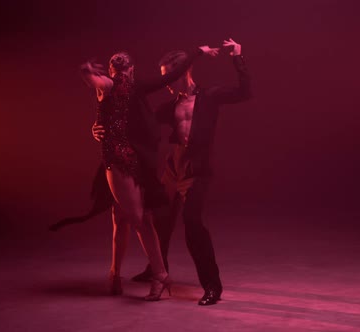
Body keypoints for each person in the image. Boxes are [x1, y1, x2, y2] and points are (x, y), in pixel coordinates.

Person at [93, 38, 251, 305]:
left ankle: (212, 286)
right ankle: (156, 270)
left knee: (192, 224)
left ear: (185, 72)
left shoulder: (209, 97)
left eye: (171, 78)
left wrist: (237, 57)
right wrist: (98, 129)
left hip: (195, 171)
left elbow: (244, 92)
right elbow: (132, 124)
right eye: (164, 80)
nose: (166, 85)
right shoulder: (168, 107)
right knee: (158, 220)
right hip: (172, 169)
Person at [68, 44, 219, 301]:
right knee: (121, 217)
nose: (121, 78)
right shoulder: (122, 85)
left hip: (122, 160)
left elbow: (170, 77)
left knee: (138, 218)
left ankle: (160, 275)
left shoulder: (117, 86)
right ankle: (116, 275)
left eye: (121, 73)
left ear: (120, 71)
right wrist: (198, 53)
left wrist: (86, 71)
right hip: (124, 158)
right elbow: (169, 77)